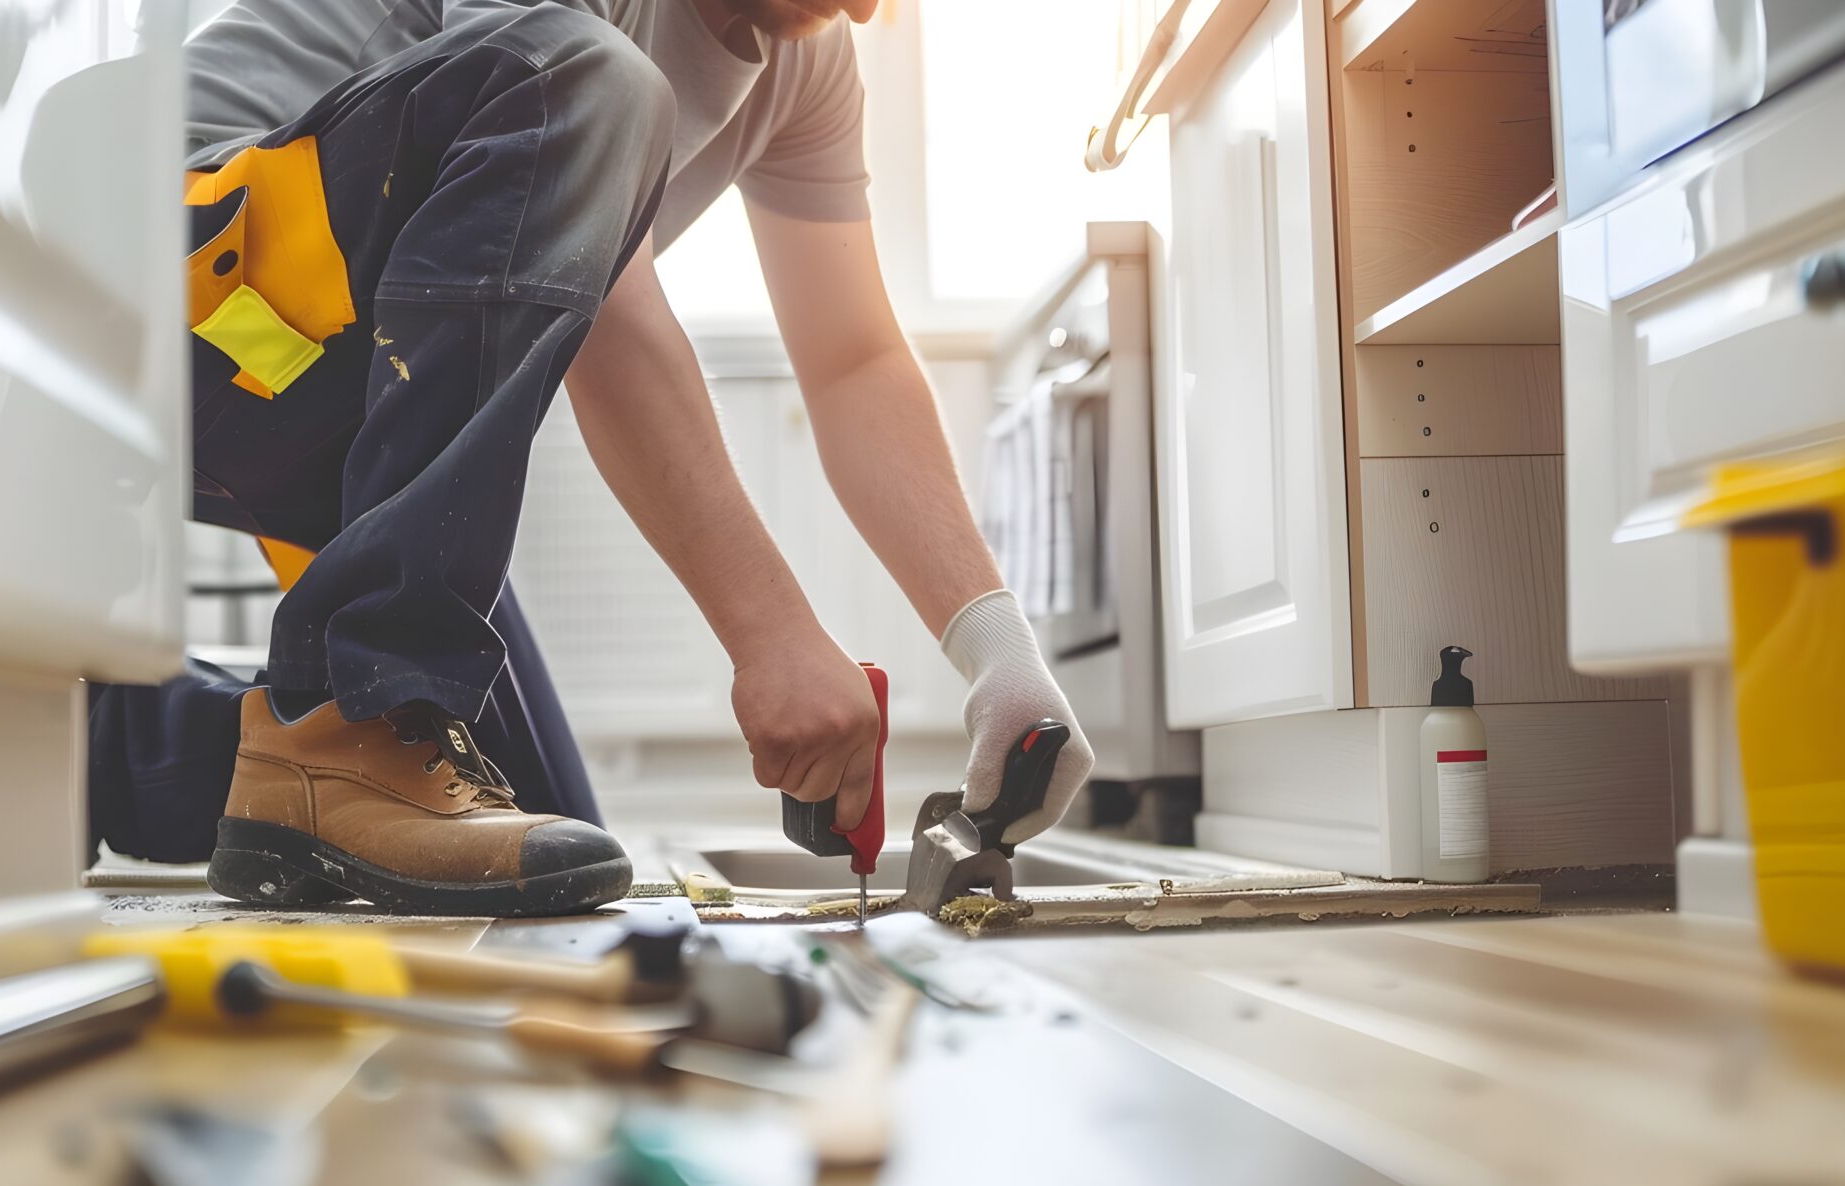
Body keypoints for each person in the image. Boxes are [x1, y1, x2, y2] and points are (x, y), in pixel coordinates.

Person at [90, 0, 1094, 915]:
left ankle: (109, 749)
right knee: (590, 81)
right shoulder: (582, 70)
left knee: (529, 841)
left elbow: (854, 364)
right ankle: (357, 718)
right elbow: (611, 314)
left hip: (306, 371)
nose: (865, 11)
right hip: (166, 262)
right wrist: (774, 637)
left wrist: (997, 655)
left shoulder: (812, 65)